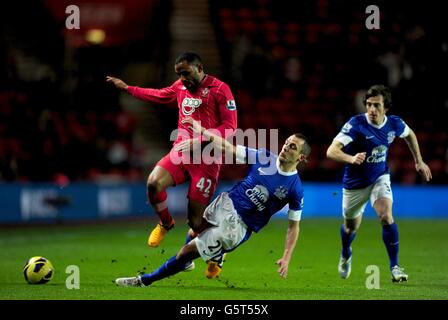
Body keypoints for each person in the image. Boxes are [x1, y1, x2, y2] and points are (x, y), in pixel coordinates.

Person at [115, 118, 311, 287]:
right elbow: (228, 147)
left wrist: (286, 256)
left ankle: (145, 280)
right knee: (193, 229)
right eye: (287, 142)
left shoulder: (294, 189)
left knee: (186, 252)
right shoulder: (264, 157)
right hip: (226, 203)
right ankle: (213, 258)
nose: (286, 147)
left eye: (293, 146)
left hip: (237, 227)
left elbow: (294, 227)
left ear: (301, 157)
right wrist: (201, 132)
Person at [106, 52, 237, 251]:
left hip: (207, 159)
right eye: (179, 74)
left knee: (195, 222)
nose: (182, 79)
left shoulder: (220, 89)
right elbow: (158, 95)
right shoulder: (180, 86)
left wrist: (198, 141)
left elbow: (230, 127)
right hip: (181, 154)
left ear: (199, 69)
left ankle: (219, 249)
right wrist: (128, 88)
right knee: (153, 183)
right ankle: (166, 223)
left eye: (186, 73)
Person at [326, 84, 432, 282]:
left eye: (376, 105)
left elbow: (410, 135)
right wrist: (351, 158)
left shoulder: (394, 124)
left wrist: (418, 160)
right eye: (368, 105)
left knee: (386, 215)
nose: (372, 110)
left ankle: (395, 267)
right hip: (354, 184)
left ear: (386, 107)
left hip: (379, 177)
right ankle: (346, 252)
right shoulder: (356, 124)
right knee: (350, 228)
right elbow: (331, 151)